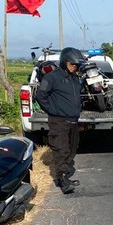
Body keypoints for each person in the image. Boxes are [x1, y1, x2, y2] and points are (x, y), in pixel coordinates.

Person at [35, 47, 84, 194]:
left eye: (76, 65)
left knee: (71, 150)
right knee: (61, 150)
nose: (74, 67)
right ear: (64, 62)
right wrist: (53, 110)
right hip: (59, 122)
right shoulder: (51, 77)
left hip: (73, 121)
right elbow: (40, 96)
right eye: (72, 64)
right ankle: (62, 180)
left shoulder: (75, 78)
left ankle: (65, 177)